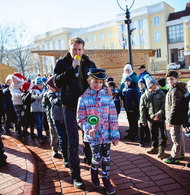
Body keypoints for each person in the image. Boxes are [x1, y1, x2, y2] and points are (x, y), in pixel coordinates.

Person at [53, 36, 96, 189]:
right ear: (69, 49)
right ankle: (76, 175)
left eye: (79, 49)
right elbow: (57, 81)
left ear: (83, 50)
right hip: (69, 107)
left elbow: (95, 82)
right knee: (72, 141)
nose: (77, 52)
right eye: (74, 50)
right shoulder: (62, 63)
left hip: (88, 107)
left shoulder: (90, 64)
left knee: (90, 137)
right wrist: (71, 69)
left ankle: (91, 163)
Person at [77, 68, 120, 195]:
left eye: (101, 82)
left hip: (106, 134)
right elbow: (80, 118)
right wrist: (87, 128)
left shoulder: (108, 96)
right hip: (93, 135)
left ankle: (106, 179)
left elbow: (112, 115)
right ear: (89, 81)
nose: (98, 85)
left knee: (106, 157)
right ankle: (94, 169)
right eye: (95, 82)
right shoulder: (83, 98)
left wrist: (114, 133)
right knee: (97, 157)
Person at [163, 71, 187, 164]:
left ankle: (174, 157)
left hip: (175, 119)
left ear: (177, 79)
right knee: (179, 136)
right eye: (168, 79)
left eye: (172, 79)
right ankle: (181, 153)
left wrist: (170, 120)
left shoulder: (176, 91)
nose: (170, 81)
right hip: (176, 118)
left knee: (175, 138)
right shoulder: (173, 89)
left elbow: (175, 107)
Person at [140, 76, 166, 158]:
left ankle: (162, 150)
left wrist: (159, 114)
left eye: (155, 85)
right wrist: (143, 120)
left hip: (160, 118)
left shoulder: (161, 93)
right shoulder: (144, 96)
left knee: (162, 134)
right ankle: (154, 147)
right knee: (153, 133)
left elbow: (164, 105)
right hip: (151, 119)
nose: (154, 87)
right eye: (152, 85)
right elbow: (142, 109)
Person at [46, 76, 69, 166]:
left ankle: (69, 155)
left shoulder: (63, 91)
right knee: (62, 138)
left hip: (66, 118)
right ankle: (65, 158)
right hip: (57, 119)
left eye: (51, 86)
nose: (49, 88)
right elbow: (54, 101)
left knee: (67, 138)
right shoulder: (50, 94)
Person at [31, 77, 48, 144]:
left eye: (41, 85)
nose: (40, 86)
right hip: (36, 109)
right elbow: (34, 96)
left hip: (42, 109)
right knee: (39, 123)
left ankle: (41, 134)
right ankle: (40, 135)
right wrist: (42, 95)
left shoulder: (45, 89)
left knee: (42, 122)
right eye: (39, 85)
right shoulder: (33, 90)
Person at [122, 76, 139, 141]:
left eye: (128, 81)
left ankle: (135, 134)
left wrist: (136, 108)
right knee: (130, 122)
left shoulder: (134, 90)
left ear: (130, 82)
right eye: (125, 81)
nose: (127, 82)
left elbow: (136, 100)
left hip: (133, 109)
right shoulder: (124, 90)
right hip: (127, 109)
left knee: (134, 122)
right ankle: (130, 133)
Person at [10, 73, 26, 137]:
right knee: (20, 118)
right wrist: (21, 94)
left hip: (23, 103)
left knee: (25, 117)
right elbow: (14, 94)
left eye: (14, 79)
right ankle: (19, 131)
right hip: (16, 103)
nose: (13, 80)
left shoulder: (23, 84)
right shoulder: (12, 86)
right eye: (12, 79)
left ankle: (25, 130)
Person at [138, 78, 150, 147]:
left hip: (146, 111)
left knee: (144, 125)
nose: (141, 86)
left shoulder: (147, 92)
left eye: (142, 84)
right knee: (142, 125)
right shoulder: (139, 92)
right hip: (140, 111)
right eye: (139, 84)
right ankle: (143, 139)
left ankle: (144, 139)